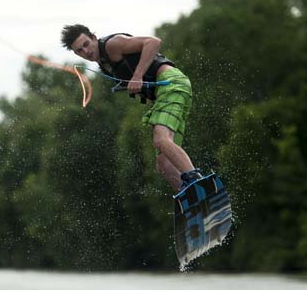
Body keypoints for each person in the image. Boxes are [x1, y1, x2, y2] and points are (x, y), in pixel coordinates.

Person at [60, 23, 203, 192]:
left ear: (93, 38)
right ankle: (194, 200)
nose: (86, 51)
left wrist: (138, 75)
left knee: (160, 139)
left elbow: (153, 42)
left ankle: (199, 182)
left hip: (172, 84)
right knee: (164, 164)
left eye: (86, 44)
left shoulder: (112, 44)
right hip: (165, 93)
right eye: (79, 51)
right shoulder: (104, 64)